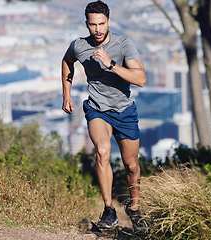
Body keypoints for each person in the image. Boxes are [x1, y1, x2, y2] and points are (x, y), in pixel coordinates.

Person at [61, 0, 148, 233]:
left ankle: (135, 208)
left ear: (108, 22)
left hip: (124, 111)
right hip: (97, 109)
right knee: (102, 151)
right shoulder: (79, 46)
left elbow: (140, 79)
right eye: (93, 25)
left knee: (131, 165)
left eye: (101, 23)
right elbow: (67, 61)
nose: (97, 29)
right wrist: (66, 94)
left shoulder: (123, 44)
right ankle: (109, 209)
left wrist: (111, 64)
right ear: (87, 25)